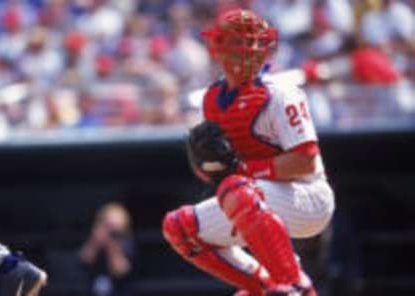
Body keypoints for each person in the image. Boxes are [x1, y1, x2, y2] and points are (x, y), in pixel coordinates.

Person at [162, 8, 335, 296]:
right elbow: (217, 174)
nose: (247, 50)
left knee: (236, 188)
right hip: (253, 195)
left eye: (253, 42)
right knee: (179, 227)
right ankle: (264, 287)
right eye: (238, 42)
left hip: (309, 197)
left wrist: (242, 172)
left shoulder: (280, 93)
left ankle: (295, 286)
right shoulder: (212, 100)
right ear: (218, 47)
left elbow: (305, 161)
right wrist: (204, 166)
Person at [79, 202, 134, 296]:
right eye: (107, 226)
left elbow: (120, 271)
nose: (111, 231)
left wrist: (111, 247)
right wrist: (95, 242)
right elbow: (84, 260)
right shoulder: (94, 239)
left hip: (119, 290)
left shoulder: (127, 243)